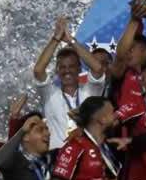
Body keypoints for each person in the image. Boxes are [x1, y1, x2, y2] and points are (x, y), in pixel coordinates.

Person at [33, 17, 106, 151]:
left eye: (71, 66)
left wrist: (71, 41)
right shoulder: (50, 93)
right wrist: (56, 39)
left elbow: (98, 68)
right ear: (57, 70)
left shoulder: (90, 91)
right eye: (62, 67)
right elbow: (38, 70)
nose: (67, 71)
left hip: (88, 155)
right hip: (59, 159)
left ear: (79, 68)